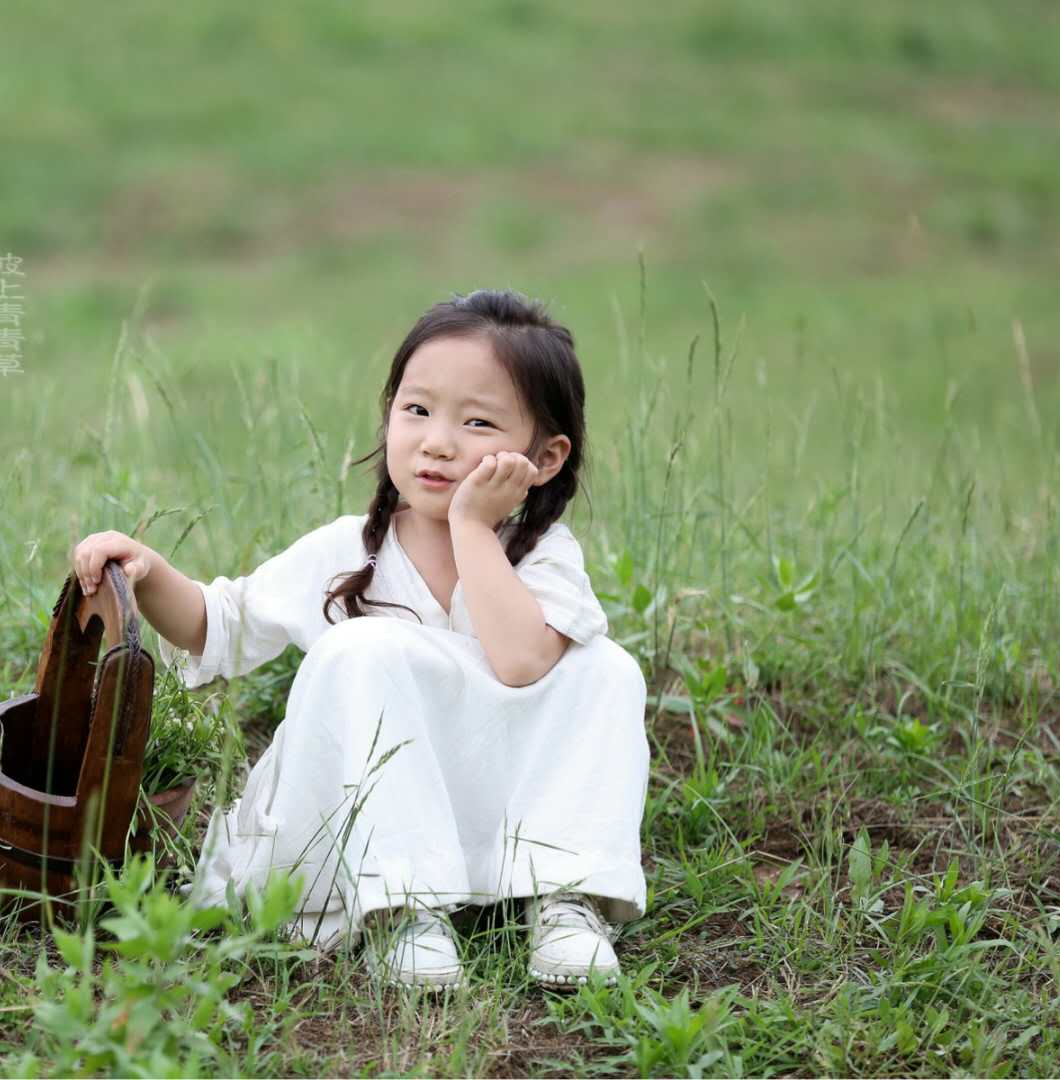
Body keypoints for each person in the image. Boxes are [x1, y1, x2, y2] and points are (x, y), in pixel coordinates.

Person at [70, 288, 649, 992]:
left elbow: (523, 662)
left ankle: (562, 893)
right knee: (365, 648)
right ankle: (402, 909)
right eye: (417, 409)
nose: (438, 441)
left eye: (477, 422)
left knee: (604, 668)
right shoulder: (350, 550)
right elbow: (216, 624)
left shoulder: (542, 555)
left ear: (546, 457)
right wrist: (147, 568)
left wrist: (472, 527)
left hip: (478, 822)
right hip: (345, 840)